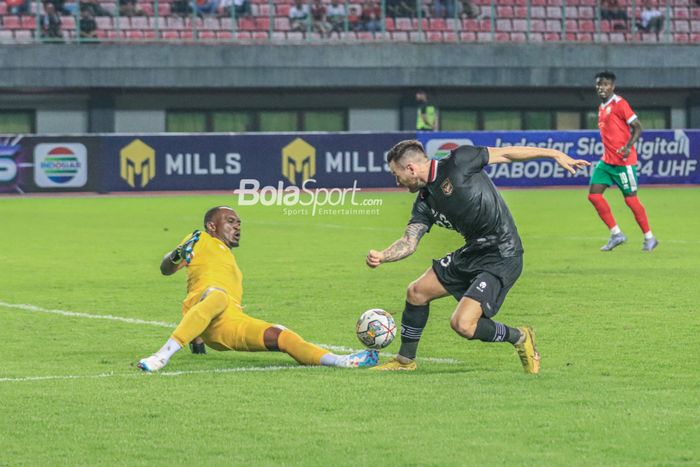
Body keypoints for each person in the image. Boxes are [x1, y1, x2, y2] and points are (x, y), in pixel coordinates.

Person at [366, 140, 590, 373]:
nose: (396, 181)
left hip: (502, 253)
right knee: (416, 292)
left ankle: (520, 336)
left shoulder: (458, 161)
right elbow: (409, 241)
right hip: (473, 251)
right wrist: (383, 256)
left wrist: (553, 154)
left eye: (396, 174)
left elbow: (507, 155)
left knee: (462, 324)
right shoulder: (424, 201)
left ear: (411, 168)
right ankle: (404, 361)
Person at [138, 206, 378, 372]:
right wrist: (175, 254)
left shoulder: (231, 263)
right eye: (230, 222)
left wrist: (198, 342)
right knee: (218, 296)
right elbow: (166, 269)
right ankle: (161, 356)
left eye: (239, 223)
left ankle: (340, 361)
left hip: (228, 323)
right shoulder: (200, 238)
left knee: (283, 335)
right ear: (212, 225)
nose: (237, 226)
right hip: (207, 302)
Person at [589, 71, 658, 252]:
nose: (601, 88)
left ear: (612, 86)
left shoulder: (620, 104)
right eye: (599, 84)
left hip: (624, 162)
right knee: (594, 196)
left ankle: (649, 237)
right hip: (606, 162)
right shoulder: (602, 107)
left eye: (605, 84)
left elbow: (638, 127)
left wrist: (628, 147)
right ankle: (616, 234)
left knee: (630, 200)